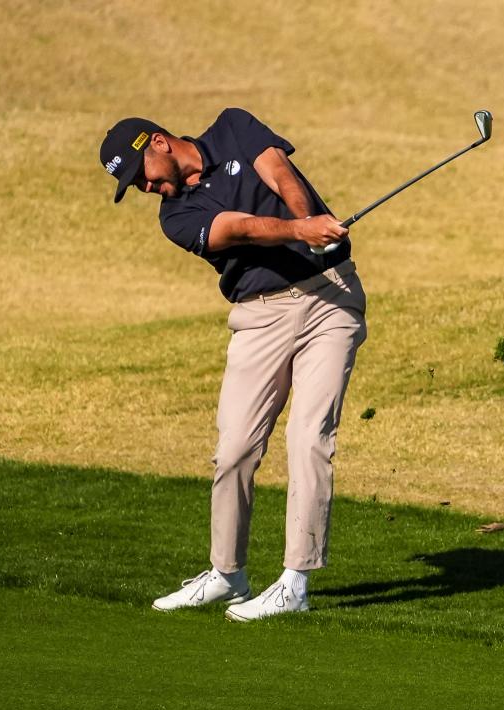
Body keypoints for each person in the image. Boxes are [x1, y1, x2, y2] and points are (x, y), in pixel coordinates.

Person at [99, 108, 367, 622]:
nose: (145, 189)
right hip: (258, 317)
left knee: (309, 436)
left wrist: (311, 223)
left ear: (159, 142)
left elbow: (280, 173)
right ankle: (228, 574)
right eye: (134, 186)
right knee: (235, 448)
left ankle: (296, 581)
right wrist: (299, 228)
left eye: (142, 176)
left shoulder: (233, 127)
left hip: (330, 299)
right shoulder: (175, 219)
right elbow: (239, 230)